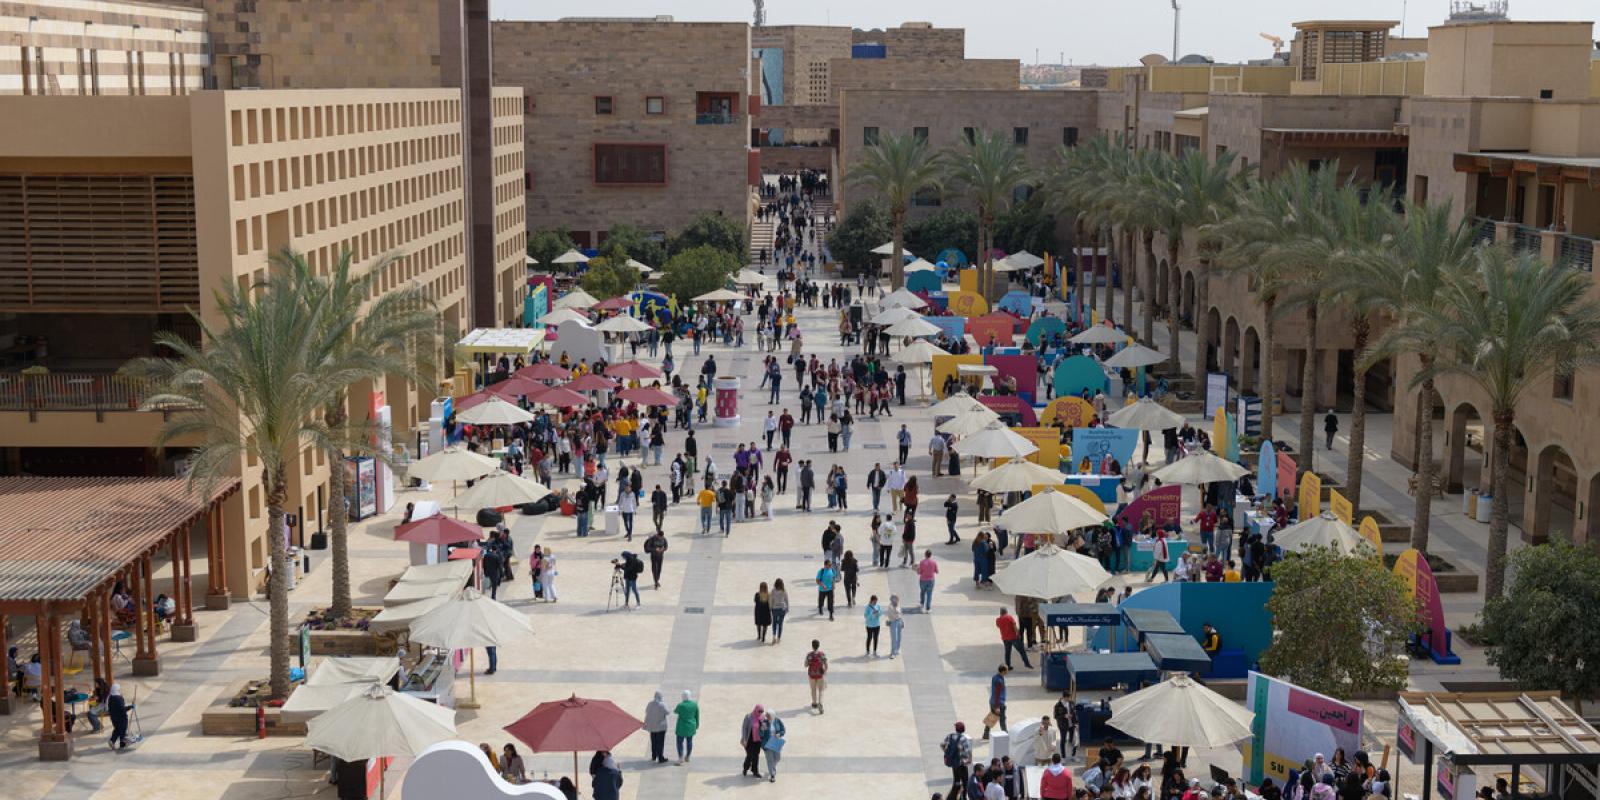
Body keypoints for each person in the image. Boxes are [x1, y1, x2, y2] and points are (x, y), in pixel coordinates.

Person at [943, 722, 974, 800]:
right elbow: (967, 751)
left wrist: (948, 755)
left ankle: (954, 796)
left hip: (953, 763)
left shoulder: (949, 736)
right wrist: (968, 760)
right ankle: (963, 797)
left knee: (956, 780)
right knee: (965, 782)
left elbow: (943, 745)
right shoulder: (963, 739)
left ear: (956, 729)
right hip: (961, 765)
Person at [644, 691, 671, 764]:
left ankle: (654, 756)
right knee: (660, 743)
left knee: (653, 742)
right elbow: (668, 712)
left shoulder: (650, 703)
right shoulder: (662, 704)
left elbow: (646, 711)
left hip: (652, 726)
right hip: (661, 727)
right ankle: (660, 757)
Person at [982, 665, 1008, 739]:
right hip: (998, 703)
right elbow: (997, 694)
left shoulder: (995, 677)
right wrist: (997, 707)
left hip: (993, 701)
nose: (1007, 672)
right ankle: (1005, 733)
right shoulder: (999, 681)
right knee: (1002, 719)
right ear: (1003, 671)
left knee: (992, 717)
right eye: (1006, 671)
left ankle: (986, 734)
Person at [740, 705, 766, 778]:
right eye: (759, 711)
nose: (760, 713)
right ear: (755, 710)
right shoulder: (748, 717)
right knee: (750, 755)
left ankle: (755, 771)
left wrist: (763, 726)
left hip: (758, 740)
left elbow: (765, 729)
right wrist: (744, 739)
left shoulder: (762, 717)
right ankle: (745, 767)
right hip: (749, 740)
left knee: (756, 756)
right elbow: (744, 728)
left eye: (762, 711)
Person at [674, 690, 699, 764]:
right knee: (689, 741)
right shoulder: (694, 705)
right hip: (691, 726)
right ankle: (687, 756)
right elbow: (697, 716)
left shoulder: (680, 705)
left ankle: (680, 757)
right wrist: (697, 725)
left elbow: (675, 711)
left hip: (681, 727)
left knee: (679, 742)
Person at [760, 710, 786, 782]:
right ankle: (772, 774)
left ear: (773, 716)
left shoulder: (777, 720)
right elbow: (760, 734)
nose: (767, 717)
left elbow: (783, 730)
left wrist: (779, 734)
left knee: (778, 758)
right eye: (766, 716)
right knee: (769, 759)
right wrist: (762, 729)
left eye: (769, 716)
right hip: (767, 743)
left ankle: (772, 767)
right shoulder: (764, 722)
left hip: (776, 742)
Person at [804, 639, 828, 713]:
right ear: (818, 646)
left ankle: (814, 703)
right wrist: (824, 672)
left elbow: (805, 665)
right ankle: (820, 703)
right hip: (820, 674)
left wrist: (809, 663)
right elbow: (826, 665)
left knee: (813, 689)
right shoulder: (822, 654)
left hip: (811, 674)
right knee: (821, 690)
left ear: (812, 646)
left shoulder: (809, 655)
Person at [1053, 691, 1078, 758]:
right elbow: (1055, 716)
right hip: (1063, 726)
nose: (1070, 699)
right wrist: (1064, 716)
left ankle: (1073, 755)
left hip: (1071, 725)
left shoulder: (1071, 703)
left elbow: (1074, 713)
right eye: (1068, 697)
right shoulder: (1058, 705)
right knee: (1063, 741)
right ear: (1064, 697)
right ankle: (1063, 757)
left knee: (1073, 740)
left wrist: (1076, 723)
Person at [107, 682, 130, 750]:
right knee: (123, 730)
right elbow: (122, 709)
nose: (120, 690)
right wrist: (130, 707)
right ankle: (122, 745)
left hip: (113, 717)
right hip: (121, 717)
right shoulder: (118, 698)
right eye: (119, 689)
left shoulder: (110, 697)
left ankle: (112, 740)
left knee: (117, 729)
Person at [770, 578, 789, 643]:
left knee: (774, 623)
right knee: (780, 624)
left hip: (775, 608)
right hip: (782, 609)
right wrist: (787, 608)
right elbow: (786, 600)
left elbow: (771, 600)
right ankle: (778, 638)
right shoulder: (784, 590)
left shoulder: (773, 590)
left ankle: (774, 636)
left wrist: (770, 607)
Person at [885, 593, 904, 658]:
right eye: (896, 598)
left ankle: (897, 650)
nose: (898, 599)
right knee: (894, 638)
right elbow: (894, 615)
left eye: (898, 598)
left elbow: (900, 613)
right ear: (893, 599)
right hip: (893, 622)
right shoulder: (890, 607)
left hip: (899, 621)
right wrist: (897, 612)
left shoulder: (898, 605)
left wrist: (902, 621)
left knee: (899, 637)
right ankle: (893, 653)